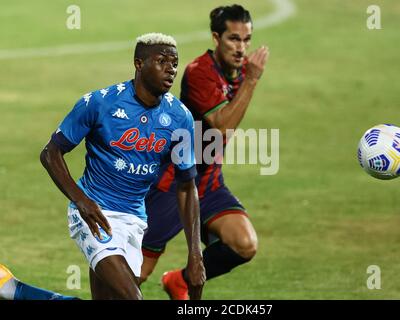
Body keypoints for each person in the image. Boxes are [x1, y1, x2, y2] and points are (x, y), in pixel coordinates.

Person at [37, 33, 205, 300]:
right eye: (161, 61)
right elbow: (51, 153)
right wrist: (81, 200)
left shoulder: (180, 117)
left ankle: (14, 290)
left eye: (174, 63)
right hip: (94, 215)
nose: (170, 69)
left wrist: (195, 254)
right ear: (139, 64)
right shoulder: (100, 103)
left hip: (135, 221)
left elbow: (186, 186)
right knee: (132, 297)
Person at [140, 5, 269, 299]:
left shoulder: (238, 72)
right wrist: (252, 80)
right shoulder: (200, 73)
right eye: (234, 39)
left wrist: (246, 78)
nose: (241, 48)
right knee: (137, 273)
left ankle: (180, 282)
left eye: (247, 40)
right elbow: (221, 126)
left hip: (208, 180)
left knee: (244, 243)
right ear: (216, 37)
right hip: (174, 183)